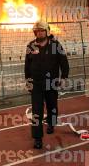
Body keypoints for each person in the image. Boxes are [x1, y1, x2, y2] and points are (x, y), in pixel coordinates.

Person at [24, 20, 69, 149]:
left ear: (47, 31)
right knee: (36, 112)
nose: (39, 33)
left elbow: (63, 62)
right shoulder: (31, 46)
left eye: (42, 30)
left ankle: (51, 123)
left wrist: (64, 77)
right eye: (37, 31)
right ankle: (37, 138)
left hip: (52, 83)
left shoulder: (55, 45)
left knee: (52, 106)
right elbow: (27, 66)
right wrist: (28, 81)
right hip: (36, 84)